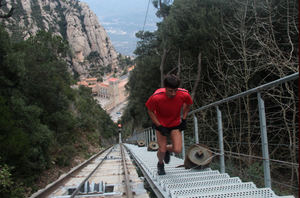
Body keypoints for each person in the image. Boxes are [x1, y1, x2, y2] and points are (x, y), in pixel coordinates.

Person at [145, 74, 193, 175]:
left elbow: (188, 104)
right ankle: (160, 164)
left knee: (177, 150)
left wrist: (183, 119)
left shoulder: (183, 94)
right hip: (161, 124)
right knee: (161, 150)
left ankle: (166, 149)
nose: (173, 93)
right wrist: (159, 126)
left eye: (175, 90)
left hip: (175, 123)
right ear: (165, 88)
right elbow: (150, 111)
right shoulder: (156, 97)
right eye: (170, 91)